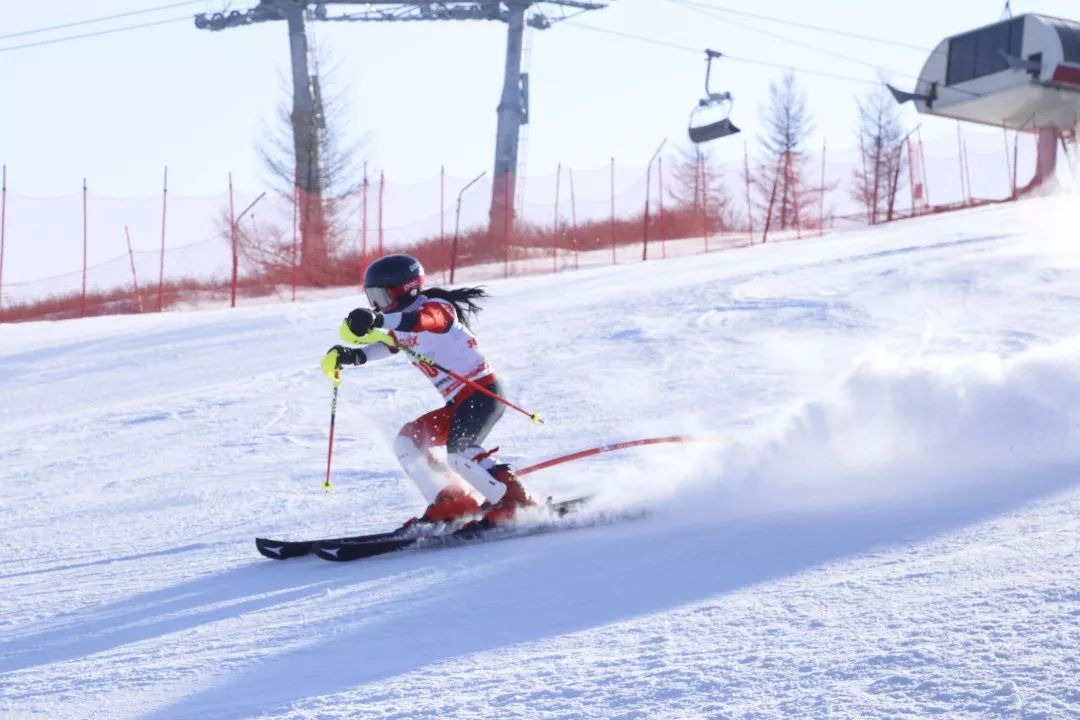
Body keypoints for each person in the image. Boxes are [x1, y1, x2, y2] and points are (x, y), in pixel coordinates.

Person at [323, 253, 534, 530]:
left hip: (482, 393)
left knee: (459, 452)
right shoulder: (398, 322)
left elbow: (424, 321)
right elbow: (391, 344)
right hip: (456, 403)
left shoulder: (438, 308)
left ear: (406, 289)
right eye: (372, 298)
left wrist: (377, 320)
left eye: (381, 298)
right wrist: (353, 356)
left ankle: (514, 500)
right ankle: (452, 500)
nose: (377, 305)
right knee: (408, 442)